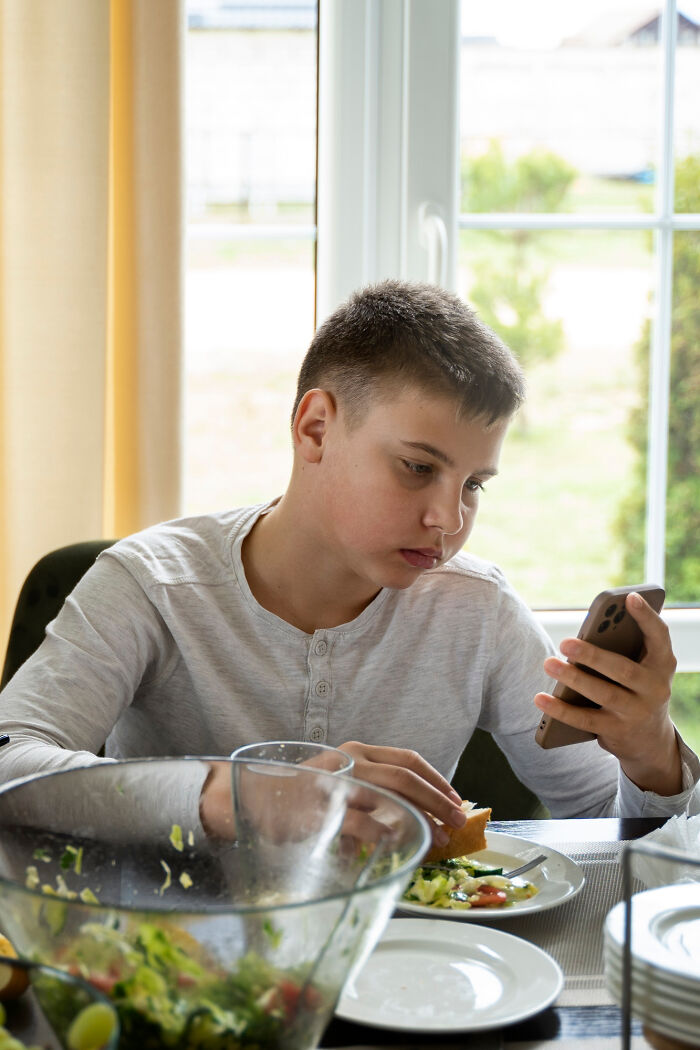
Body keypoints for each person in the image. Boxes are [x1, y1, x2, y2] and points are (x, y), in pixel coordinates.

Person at [0, 280, 697, 843]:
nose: (449, 520)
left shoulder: (477, 610)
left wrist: (651, 753)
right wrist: (238, 796)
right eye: (417, 467)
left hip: (412, 969)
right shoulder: (151, 584)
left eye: (474, 486)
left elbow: (615, 837)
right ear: (315, 428)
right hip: (173, 957)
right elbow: (10, 767)